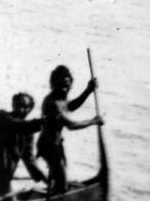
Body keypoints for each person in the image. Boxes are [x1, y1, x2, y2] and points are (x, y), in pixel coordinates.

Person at [36, 65, 102, 194]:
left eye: (67, 85)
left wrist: (88, 90)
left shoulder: (61, 96)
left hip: (56, 145)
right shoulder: (52, 102)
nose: (65, 88)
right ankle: (57, 197)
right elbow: (71, 125)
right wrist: (93, 121)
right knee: (61, 184)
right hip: (48, 146)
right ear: (54, 85)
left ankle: (56, 190)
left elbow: (70, 106)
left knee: (60, 179)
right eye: (61, 85)